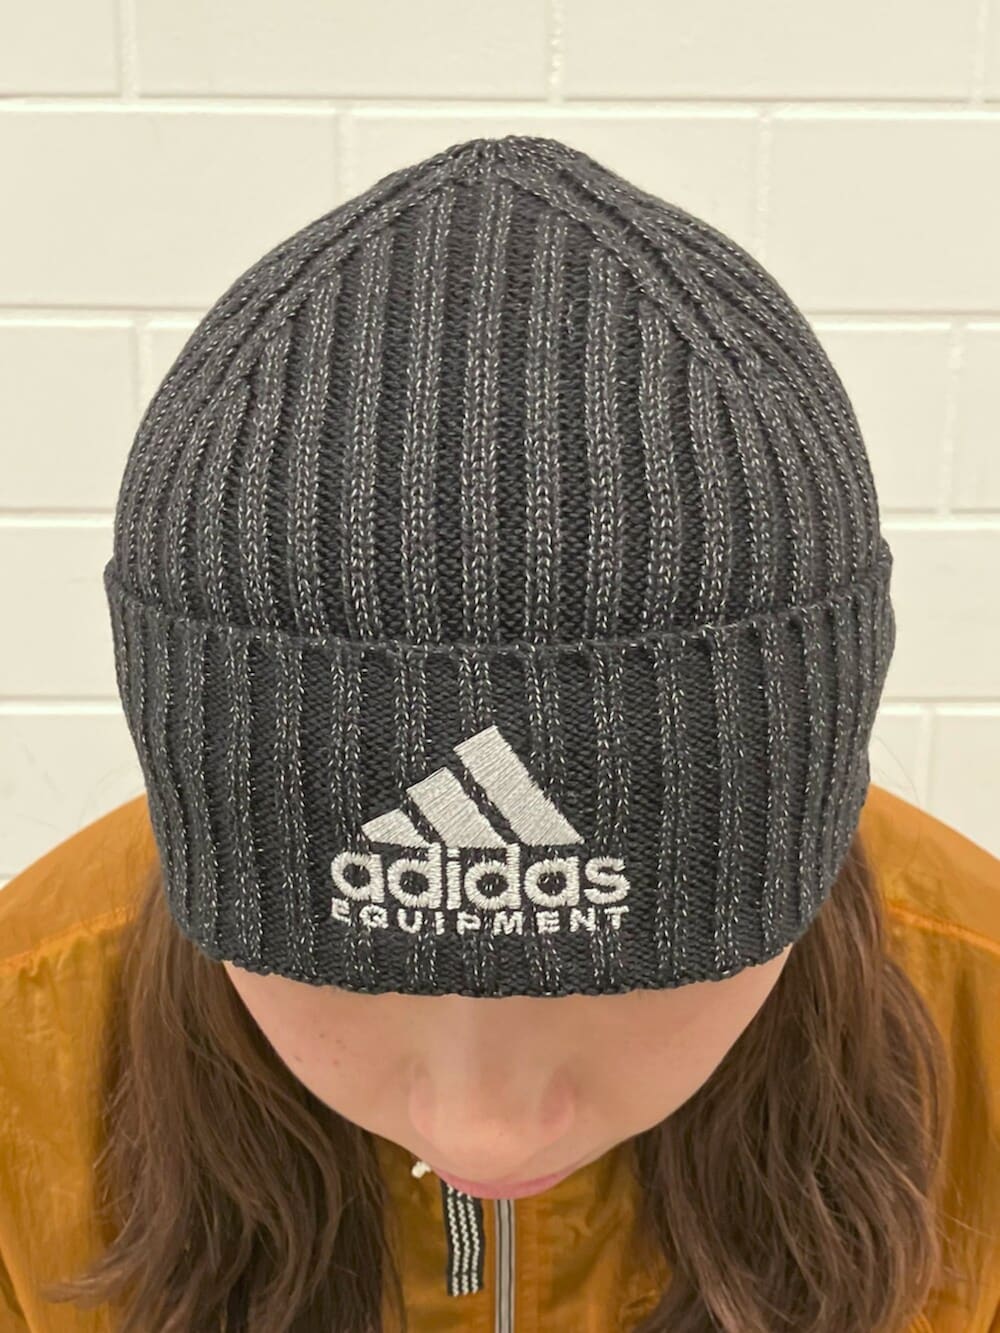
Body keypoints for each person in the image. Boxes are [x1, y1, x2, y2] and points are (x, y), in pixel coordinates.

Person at [1, 133, 998, 1333]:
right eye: (347, 962)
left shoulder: (982, 1006)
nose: (484, 1130)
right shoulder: (21, 1033)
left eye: (626, 964)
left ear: (806, 817)